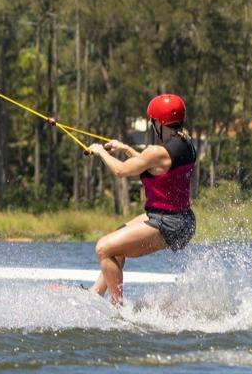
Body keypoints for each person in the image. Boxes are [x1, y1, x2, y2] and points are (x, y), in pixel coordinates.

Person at [85, 93, 200, 304]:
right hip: (181, 219)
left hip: (167, 222)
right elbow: (153, 166)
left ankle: (117, 308)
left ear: (159, 122)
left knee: (103, 248)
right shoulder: (186, 144)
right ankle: (95, 293)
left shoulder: (157, 151)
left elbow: (120, 171)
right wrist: (126, 149)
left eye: (152, 121)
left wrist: (100, 152)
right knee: (119, 236)